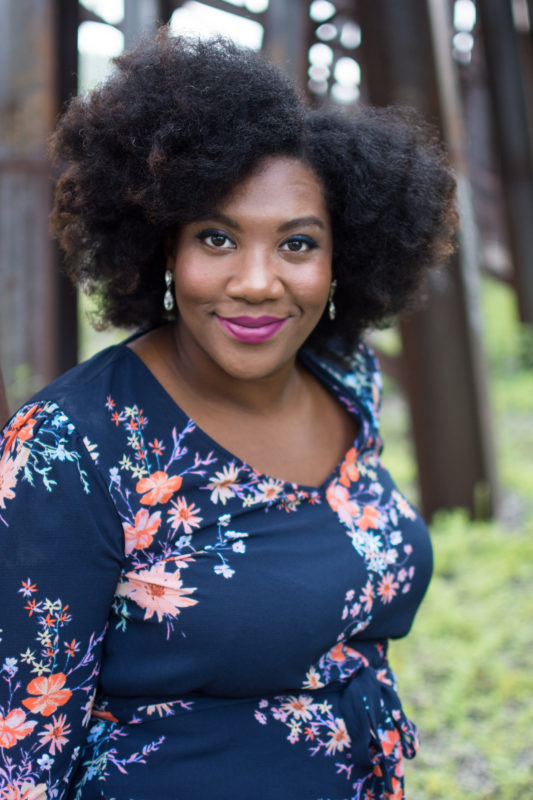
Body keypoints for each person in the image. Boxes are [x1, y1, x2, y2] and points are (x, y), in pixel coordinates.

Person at [0, 28, 456, 800]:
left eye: (297, 244)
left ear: (342, 260)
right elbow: (21, 751)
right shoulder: (69, 447)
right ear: (162, 251)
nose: (254, 282)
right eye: (216, 237)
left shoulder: (343, 377)